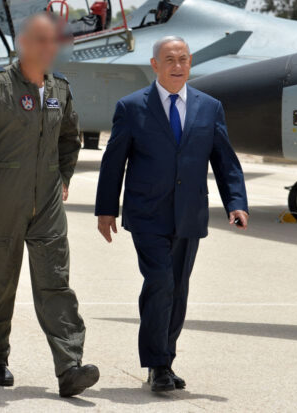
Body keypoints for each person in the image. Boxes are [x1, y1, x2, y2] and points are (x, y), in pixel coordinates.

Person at [0, 13, 99, 398]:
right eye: (40, 40)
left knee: (56, 282)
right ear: (22, 43)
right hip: (0, 200)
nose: (48, 48)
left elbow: (70, 137)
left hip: (47, 203)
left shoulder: (59, 89)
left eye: (53, 42)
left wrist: (64, 176)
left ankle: (70, 366)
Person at [94, 35, 248, 393]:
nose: (177, 66)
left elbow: (225, 161)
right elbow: (113, 162)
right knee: (161, 281)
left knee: (177, 288)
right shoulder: (131, 107)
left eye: (183, 59)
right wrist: (106, 210)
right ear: (155, 65)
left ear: (190, 63)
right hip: (146, 213)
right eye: (169, 60)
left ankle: (165, 360)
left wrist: (236, 202)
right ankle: (156, 364)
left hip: (189, 214)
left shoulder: (210, 108)